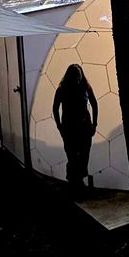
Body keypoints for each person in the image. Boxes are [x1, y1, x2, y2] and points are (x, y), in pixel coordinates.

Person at [52, 63, 97, 197]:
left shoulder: (85, 87)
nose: (78, 79)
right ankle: (74, 181)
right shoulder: (62, 89)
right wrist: (59, 125)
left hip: (84, 126)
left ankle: (78, 181)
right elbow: (55, 107)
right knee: (72, 155)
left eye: (79, 76)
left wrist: (94, 124)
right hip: (69, 127)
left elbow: (94, 103)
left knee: (84, 154)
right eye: (75, 77)